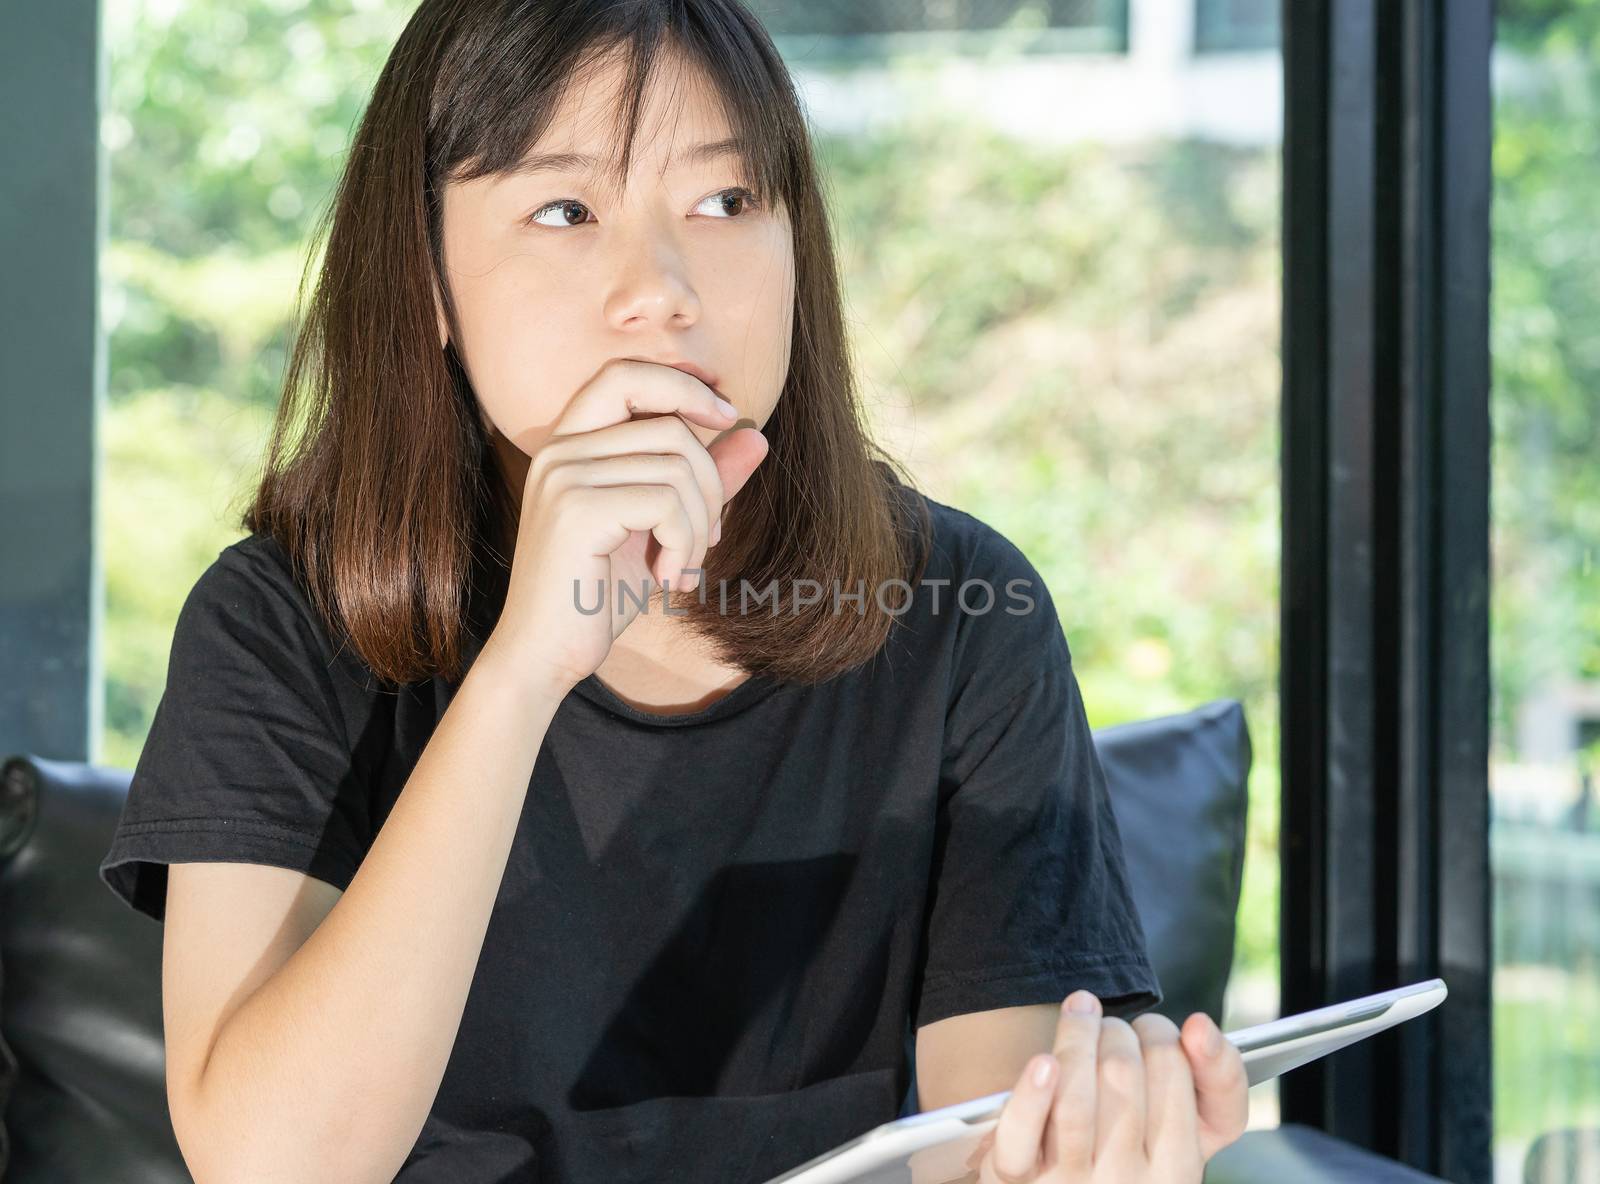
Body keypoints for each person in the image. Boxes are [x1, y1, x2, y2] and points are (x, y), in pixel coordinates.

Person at [98, 2, 1250, 1181]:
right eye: (565, 209)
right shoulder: (282, 620)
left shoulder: (960, 610)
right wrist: (522, 671)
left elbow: (993, 1129)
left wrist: (1081, 1151)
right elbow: (270, 1163)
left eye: (727, 202)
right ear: (426, 279)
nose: (662, 290)